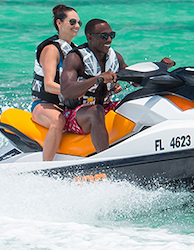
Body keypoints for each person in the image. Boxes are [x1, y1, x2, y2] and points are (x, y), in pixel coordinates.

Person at [60, 18, 174, 152]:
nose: (109, 40)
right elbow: (66, 92)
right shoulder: (75, 58)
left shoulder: (115, 57)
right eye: (104, 36)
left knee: (140, 101)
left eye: (111, 35)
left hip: (106, 107)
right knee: (97, 111)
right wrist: (97, 79)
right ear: (89, 37)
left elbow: (135, 80)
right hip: (76, 114)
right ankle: (105, 161)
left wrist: (160, 66)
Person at [31, 4, 81, 161]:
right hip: (43, 105)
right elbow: (48, 85)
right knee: (58, 120)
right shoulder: (51, 50)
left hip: (66, 104)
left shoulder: (75, 50)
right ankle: (46, 167)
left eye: (80, 22)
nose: (77, 26)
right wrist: (73, 92)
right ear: (59, 23)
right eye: (72, 22)